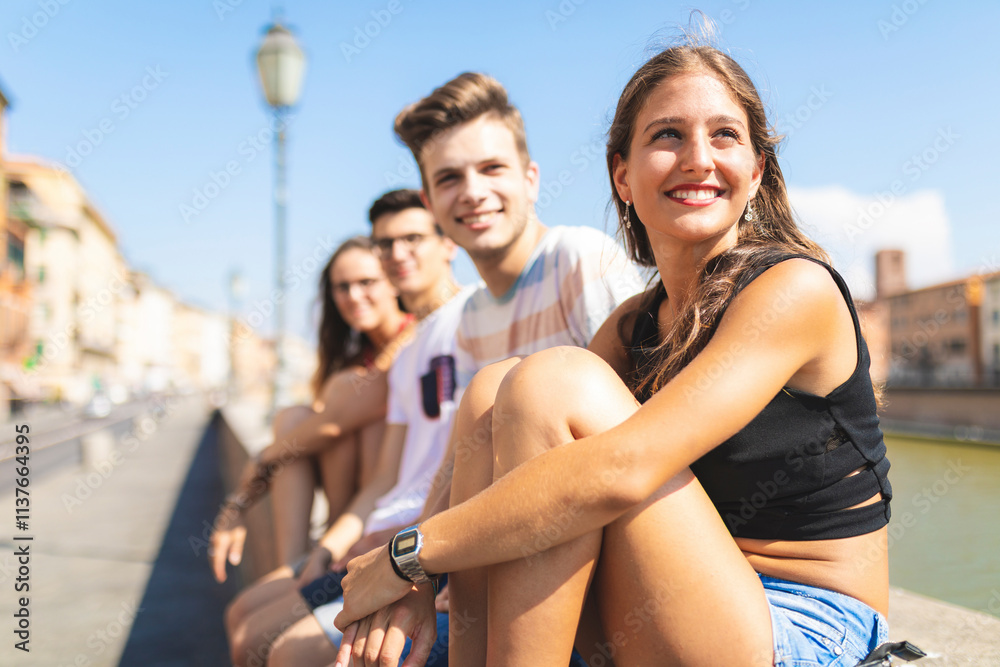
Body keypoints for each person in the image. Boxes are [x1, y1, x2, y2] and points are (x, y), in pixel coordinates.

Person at [333, 40, 893, 667]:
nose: (698, 159)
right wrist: (417, 577)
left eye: (725, 136)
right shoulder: (636, 322)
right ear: (623, 174)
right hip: (679, 603)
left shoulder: (794, 289)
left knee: (554, 383)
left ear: (758, 169)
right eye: (668, 136)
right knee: (496, 390)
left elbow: (622, 466)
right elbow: (511, 437)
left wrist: (410, 551)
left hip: (802, 630)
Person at [225, 190, 469, 667]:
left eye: (413, 238)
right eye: (386, 244)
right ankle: (300, 559)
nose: (398, 254)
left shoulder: (473, 322)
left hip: (416, 545)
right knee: (243, 621)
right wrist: (331, 547)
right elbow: (385, 476)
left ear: (448, 241)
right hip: (380, 533)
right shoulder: (409, 352)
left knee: (275, 647)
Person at [209, 235, 413, 583]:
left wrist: (247, 486)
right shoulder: (354, 357)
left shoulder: (413, 338)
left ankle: (323, 553)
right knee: (293, 417)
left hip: (394, 497)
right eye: (342, 287)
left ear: (394, 282)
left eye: (367, 282)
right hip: (354, 492)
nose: (353, 296)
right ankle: (290, 571)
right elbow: (315, 426)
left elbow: (331, 424)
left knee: (327, 404)